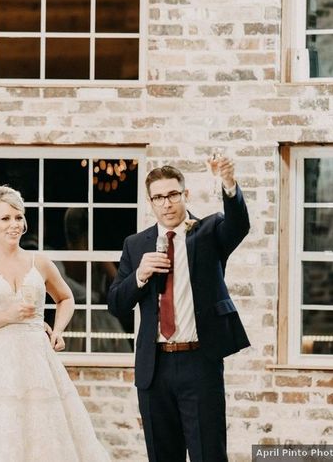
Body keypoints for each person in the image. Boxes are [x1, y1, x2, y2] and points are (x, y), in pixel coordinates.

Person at [0, 186, 110, 462]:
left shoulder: (40, 262)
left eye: (18, 217)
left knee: (42, 438)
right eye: (5, 218)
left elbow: (65, 298)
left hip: (36, 363)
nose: (14, 225)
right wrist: (7, 316)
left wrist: (57, 330)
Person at [107, 157, 250, 462]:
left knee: (208, 455)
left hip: (200, 362)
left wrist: (228, 184)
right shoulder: (136, 244)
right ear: (150, 203)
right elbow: (117, 304)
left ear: (185, 195)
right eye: (158, 197)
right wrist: (139, 276)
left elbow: (239, 225)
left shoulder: (209, 231)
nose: (167, 203)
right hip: (154, 367)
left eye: (173, 194)